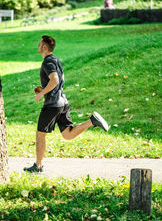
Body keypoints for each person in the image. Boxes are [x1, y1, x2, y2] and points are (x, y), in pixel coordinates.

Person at [23, 35, 109, 173]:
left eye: (39, 44)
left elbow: (55, 80)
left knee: (40, 134)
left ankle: (38, 166)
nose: (37, 46)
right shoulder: (57, 60)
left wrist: (41, 93)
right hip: (63, 102)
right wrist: (44, 89)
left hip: (52, 105)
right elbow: (58, 81)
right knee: (67, 135)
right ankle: (92, 121)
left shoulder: (47, 62)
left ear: (44, 47)